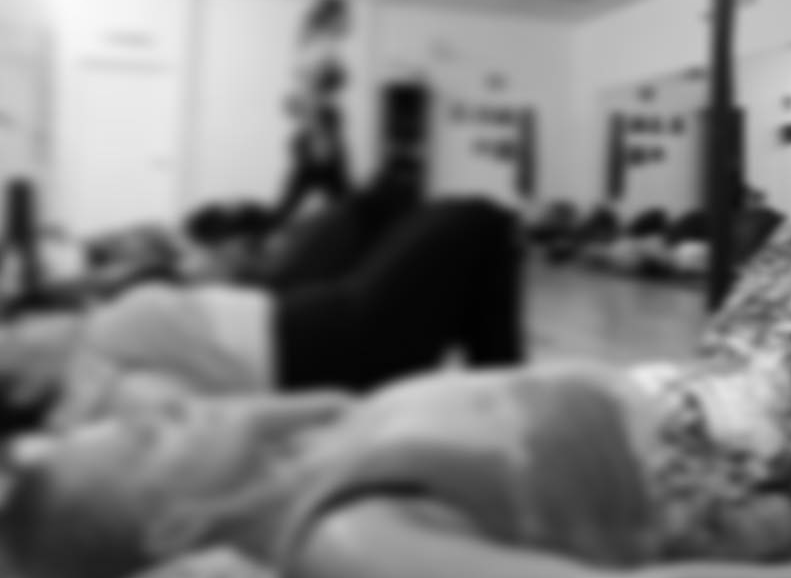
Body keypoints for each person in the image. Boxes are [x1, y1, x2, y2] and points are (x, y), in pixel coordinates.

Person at [0, 171, 791, 578]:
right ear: (176, 526)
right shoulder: (351, 550)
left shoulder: (283, 464)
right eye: (149, 438)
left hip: (694, 391)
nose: (168, 414)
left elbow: (274, 421)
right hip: (748, 461)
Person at [0, 200, 524, 433]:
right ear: (25, 386)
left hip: (308, 313)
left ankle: (506, 414)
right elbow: (192, 421)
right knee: (478, 223)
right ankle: (511, 411)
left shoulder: (94, 337)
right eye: (18, 335)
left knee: (383, 213)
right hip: (335, 344)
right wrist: (329, 414)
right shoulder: (94, 376)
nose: (29, 322)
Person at [275, 0, 353, 226]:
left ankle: (267, 233)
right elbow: (310, 94)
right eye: (344, 16)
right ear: (331, 17)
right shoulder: (321, 47)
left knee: (335, 199)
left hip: (314, 128)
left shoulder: (312, 43)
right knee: (342, 202)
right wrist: (320, 136)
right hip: (319, 128)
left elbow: (298, 97)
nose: (348, 21)